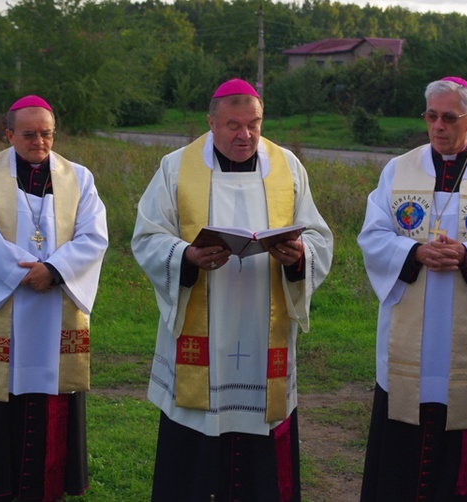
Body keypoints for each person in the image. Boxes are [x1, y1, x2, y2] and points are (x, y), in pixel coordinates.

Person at [132, 78, 333, 501]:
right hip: (203, 328)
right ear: (211, 122)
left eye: (254, 124)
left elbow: (319, 237)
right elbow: (147, 238)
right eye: (233, 125)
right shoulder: (176, 167)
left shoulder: (288, 166)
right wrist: (186, 257)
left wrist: (297, 256)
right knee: (198, 433)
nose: (245, 136)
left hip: (266, 326)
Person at [357, 76, 467, 500]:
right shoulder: (398, 169)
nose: (438, 126)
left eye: (449, 117)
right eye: (431, 116)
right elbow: (373, 234)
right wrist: (414, 253)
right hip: (408, 337)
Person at [0, 95, 108, 501]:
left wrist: (54, 271)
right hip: (6, 308)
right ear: (8, 134)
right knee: (0, 400)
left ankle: (51, 485)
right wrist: (30, 270)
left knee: (52, 395)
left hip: (56, 309)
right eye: (29, 134)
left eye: (47, 133)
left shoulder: (79, 178)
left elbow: (94, 237)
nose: (39, 142)